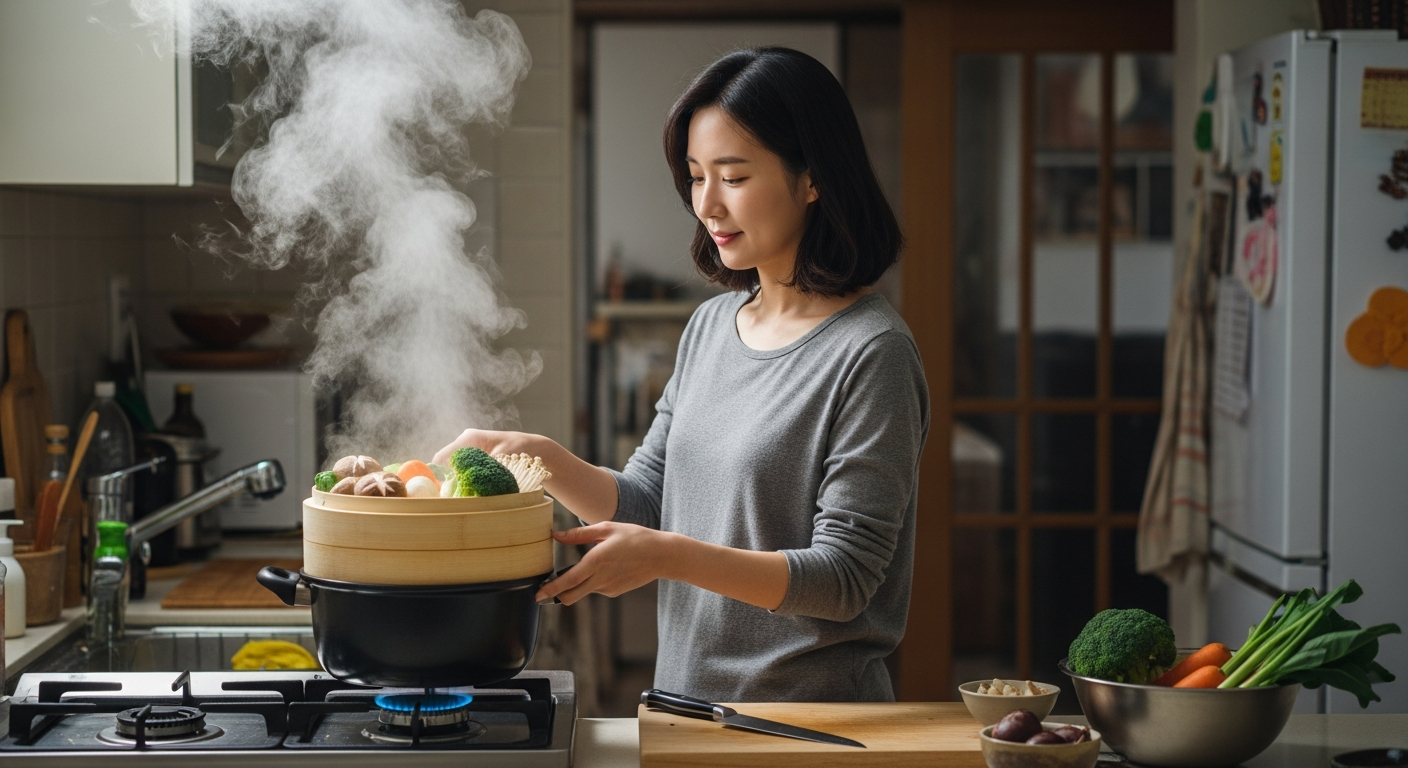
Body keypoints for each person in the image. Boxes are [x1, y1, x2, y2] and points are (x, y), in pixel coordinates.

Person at [435, 47, 928, 702]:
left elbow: (844, 581)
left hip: (809, 724)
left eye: (734, 176)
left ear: (812, 178)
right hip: (687, 707)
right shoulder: (711, 327)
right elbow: (650, 499)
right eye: (696, 177)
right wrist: (542, 459)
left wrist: (667, 555)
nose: (708, 205)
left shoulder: (872, 353)